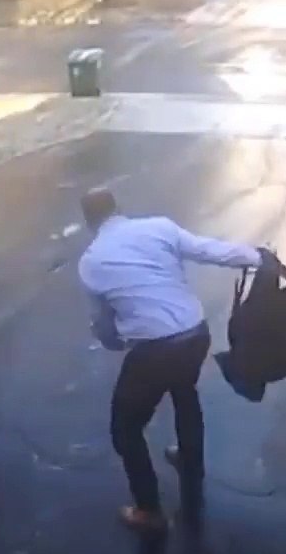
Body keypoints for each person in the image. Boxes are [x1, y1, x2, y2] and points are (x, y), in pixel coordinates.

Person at [77, 188, 270, 532]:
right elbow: (210, 250)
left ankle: (149, 510)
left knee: (126, 429)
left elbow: (105, 324)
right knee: (184, 391)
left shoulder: (91, 263)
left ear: (89, 221)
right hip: (195, 334)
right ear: (118, 207)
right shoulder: (158, 228)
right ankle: (190, 459)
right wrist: (259, 258)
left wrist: (112, 339)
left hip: (154, 349)